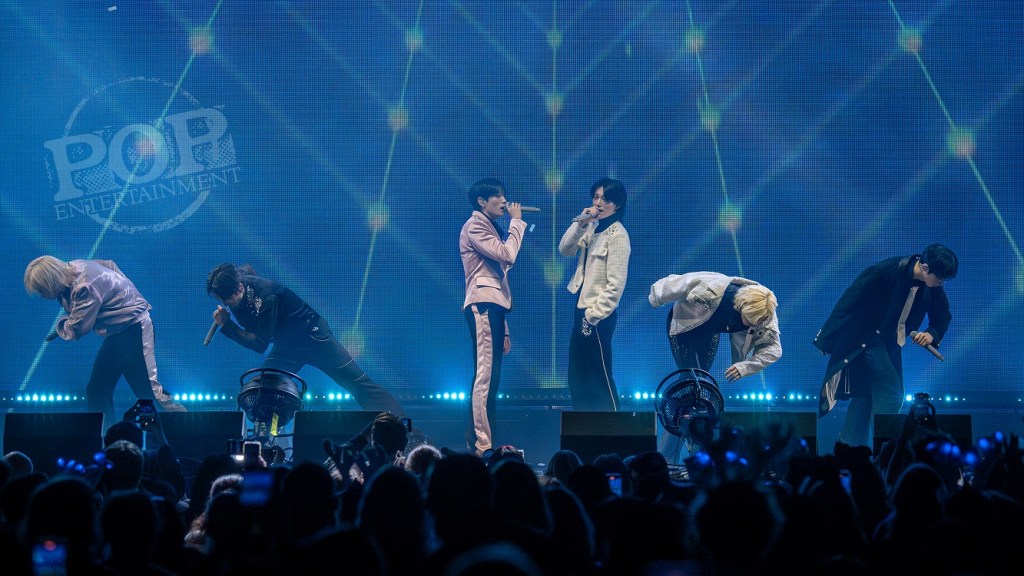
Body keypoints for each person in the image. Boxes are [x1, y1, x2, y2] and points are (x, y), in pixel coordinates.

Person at [205, 263, 403, 416]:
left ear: (238, 288)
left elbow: (259, 344)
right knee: (261, 390)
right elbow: (247, 267)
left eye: (226, 301)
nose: (225, 304)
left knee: (358, 383)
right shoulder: (240, 276)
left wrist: (227, 325)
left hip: (314, 338)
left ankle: (401, 428)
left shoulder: (269, 297)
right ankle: (266, 437)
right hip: (288, 346)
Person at [814, 244, 957, 449]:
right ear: (925, 268)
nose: (940, 283)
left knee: (864, 397)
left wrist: (931, 334)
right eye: (940, 278)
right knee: (892, 394)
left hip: (891, 344)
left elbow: (942, 315)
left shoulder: (932, 286)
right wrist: (827, 338)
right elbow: (850, 300)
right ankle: (885, 450)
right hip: (865, 338)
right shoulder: (885, 271)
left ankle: (849, 453)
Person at [24, 256, 185, 429]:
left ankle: (185, 426)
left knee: (148, 391)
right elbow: (109, 265)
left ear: (50, 282)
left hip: (134, 329)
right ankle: (106, 435)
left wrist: (61, 325)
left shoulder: (84, 286)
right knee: (98, 388)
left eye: (42, 290)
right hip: (118, 332)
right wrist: (123, 293)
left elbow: (78, 328)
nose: (42, 296)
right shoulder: (75, 266)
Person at [460, 178, 527, 456]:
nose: (504, 200)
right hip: (483, 305)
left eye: (504, 194)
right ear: (481, 201)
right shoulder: (475, 225)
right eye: (497, 196)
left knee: (492, 378)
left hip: (493, 307)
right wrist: (517, 222)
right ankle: (481, 445)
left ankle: (485, 442)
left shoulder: (489, 227)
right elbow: (507, 255)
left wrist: (505, 329)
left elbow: (497, 278)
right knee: (485, 377)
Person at [558, 177, 631, 411]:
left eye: (605, 199)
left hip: (597, 315)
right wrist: (581, 222)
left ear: (617, 204)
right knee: (578, 375)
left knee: (599, 374)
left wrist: (593, 316)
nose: (598, 203)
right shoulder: (591, 227)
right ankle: (584, 423)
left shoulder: (617, 235)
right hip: (581, 307)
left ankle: (613, 424)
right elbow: (565, 249)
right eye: (596, 197)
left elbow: (616, 284)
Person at [649, 271, 781, 381]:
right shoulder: (717, 289)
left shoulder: (766, 312)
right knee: (690, 373)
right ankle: (682, 401)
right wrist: (656, 296)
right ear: (742, 306)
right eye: (750, 319)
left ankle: (697, 402)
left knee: (702, 375)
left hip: (710, 331)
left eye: (757, 322)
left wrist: (744, 367)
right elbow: (686, 282)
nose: (754, 325)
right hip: (685, 324)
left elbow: (774, 350)